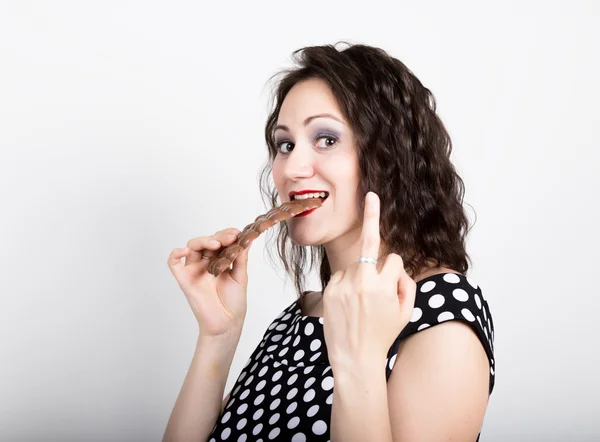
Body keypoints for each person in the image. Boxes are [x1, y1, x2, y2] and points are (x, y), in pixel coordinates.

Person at [163, 42, 495, 442]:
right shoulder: (298, 319)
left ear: (389, 157)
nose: (292, 169)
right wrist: (218, 337)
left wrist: (359, 362)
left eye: (326, 139)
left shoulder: (443, 317)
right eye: (285, 145)